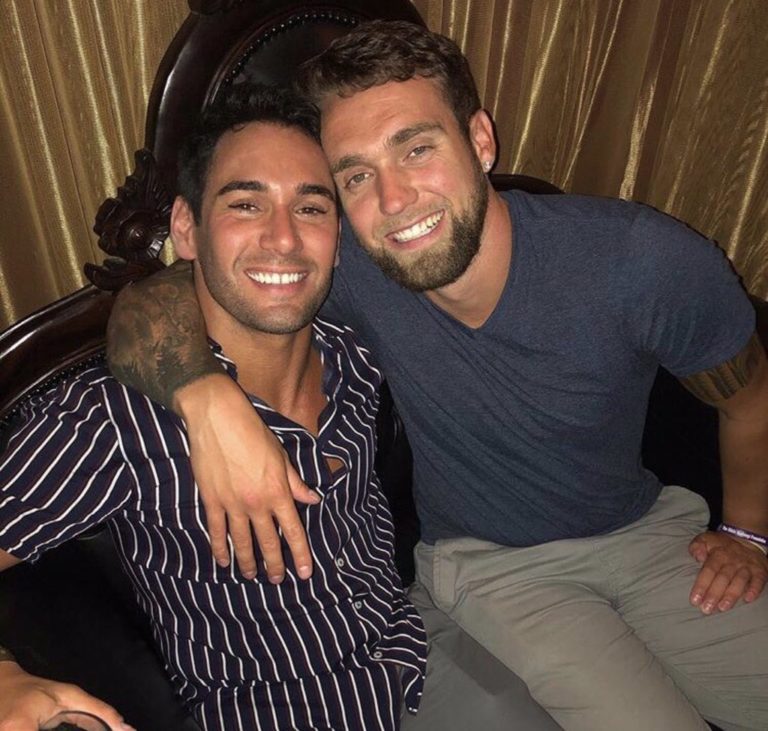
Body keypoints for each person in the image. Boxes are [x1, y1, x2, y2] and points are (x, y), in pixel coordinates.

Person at [105, 20, 768, 731]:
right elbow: (158, 295)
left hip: (651, 534)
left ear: (479, 140)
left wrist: (748, 532)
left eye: (416, 149)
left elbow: (750, 398)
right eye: (356, 176)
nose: (393, 200)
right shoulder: (352, 267)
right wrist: (207, 399)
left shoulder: (640, 263)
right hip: (492, 567)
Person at [0, 84, 561, 731]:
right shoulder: (115, 419)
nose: (284, 238)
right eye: (246, 204)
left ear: (339, 235)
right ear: (186, 227)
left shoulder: (358, 350)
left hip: (419, 664)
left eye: (312, 208)